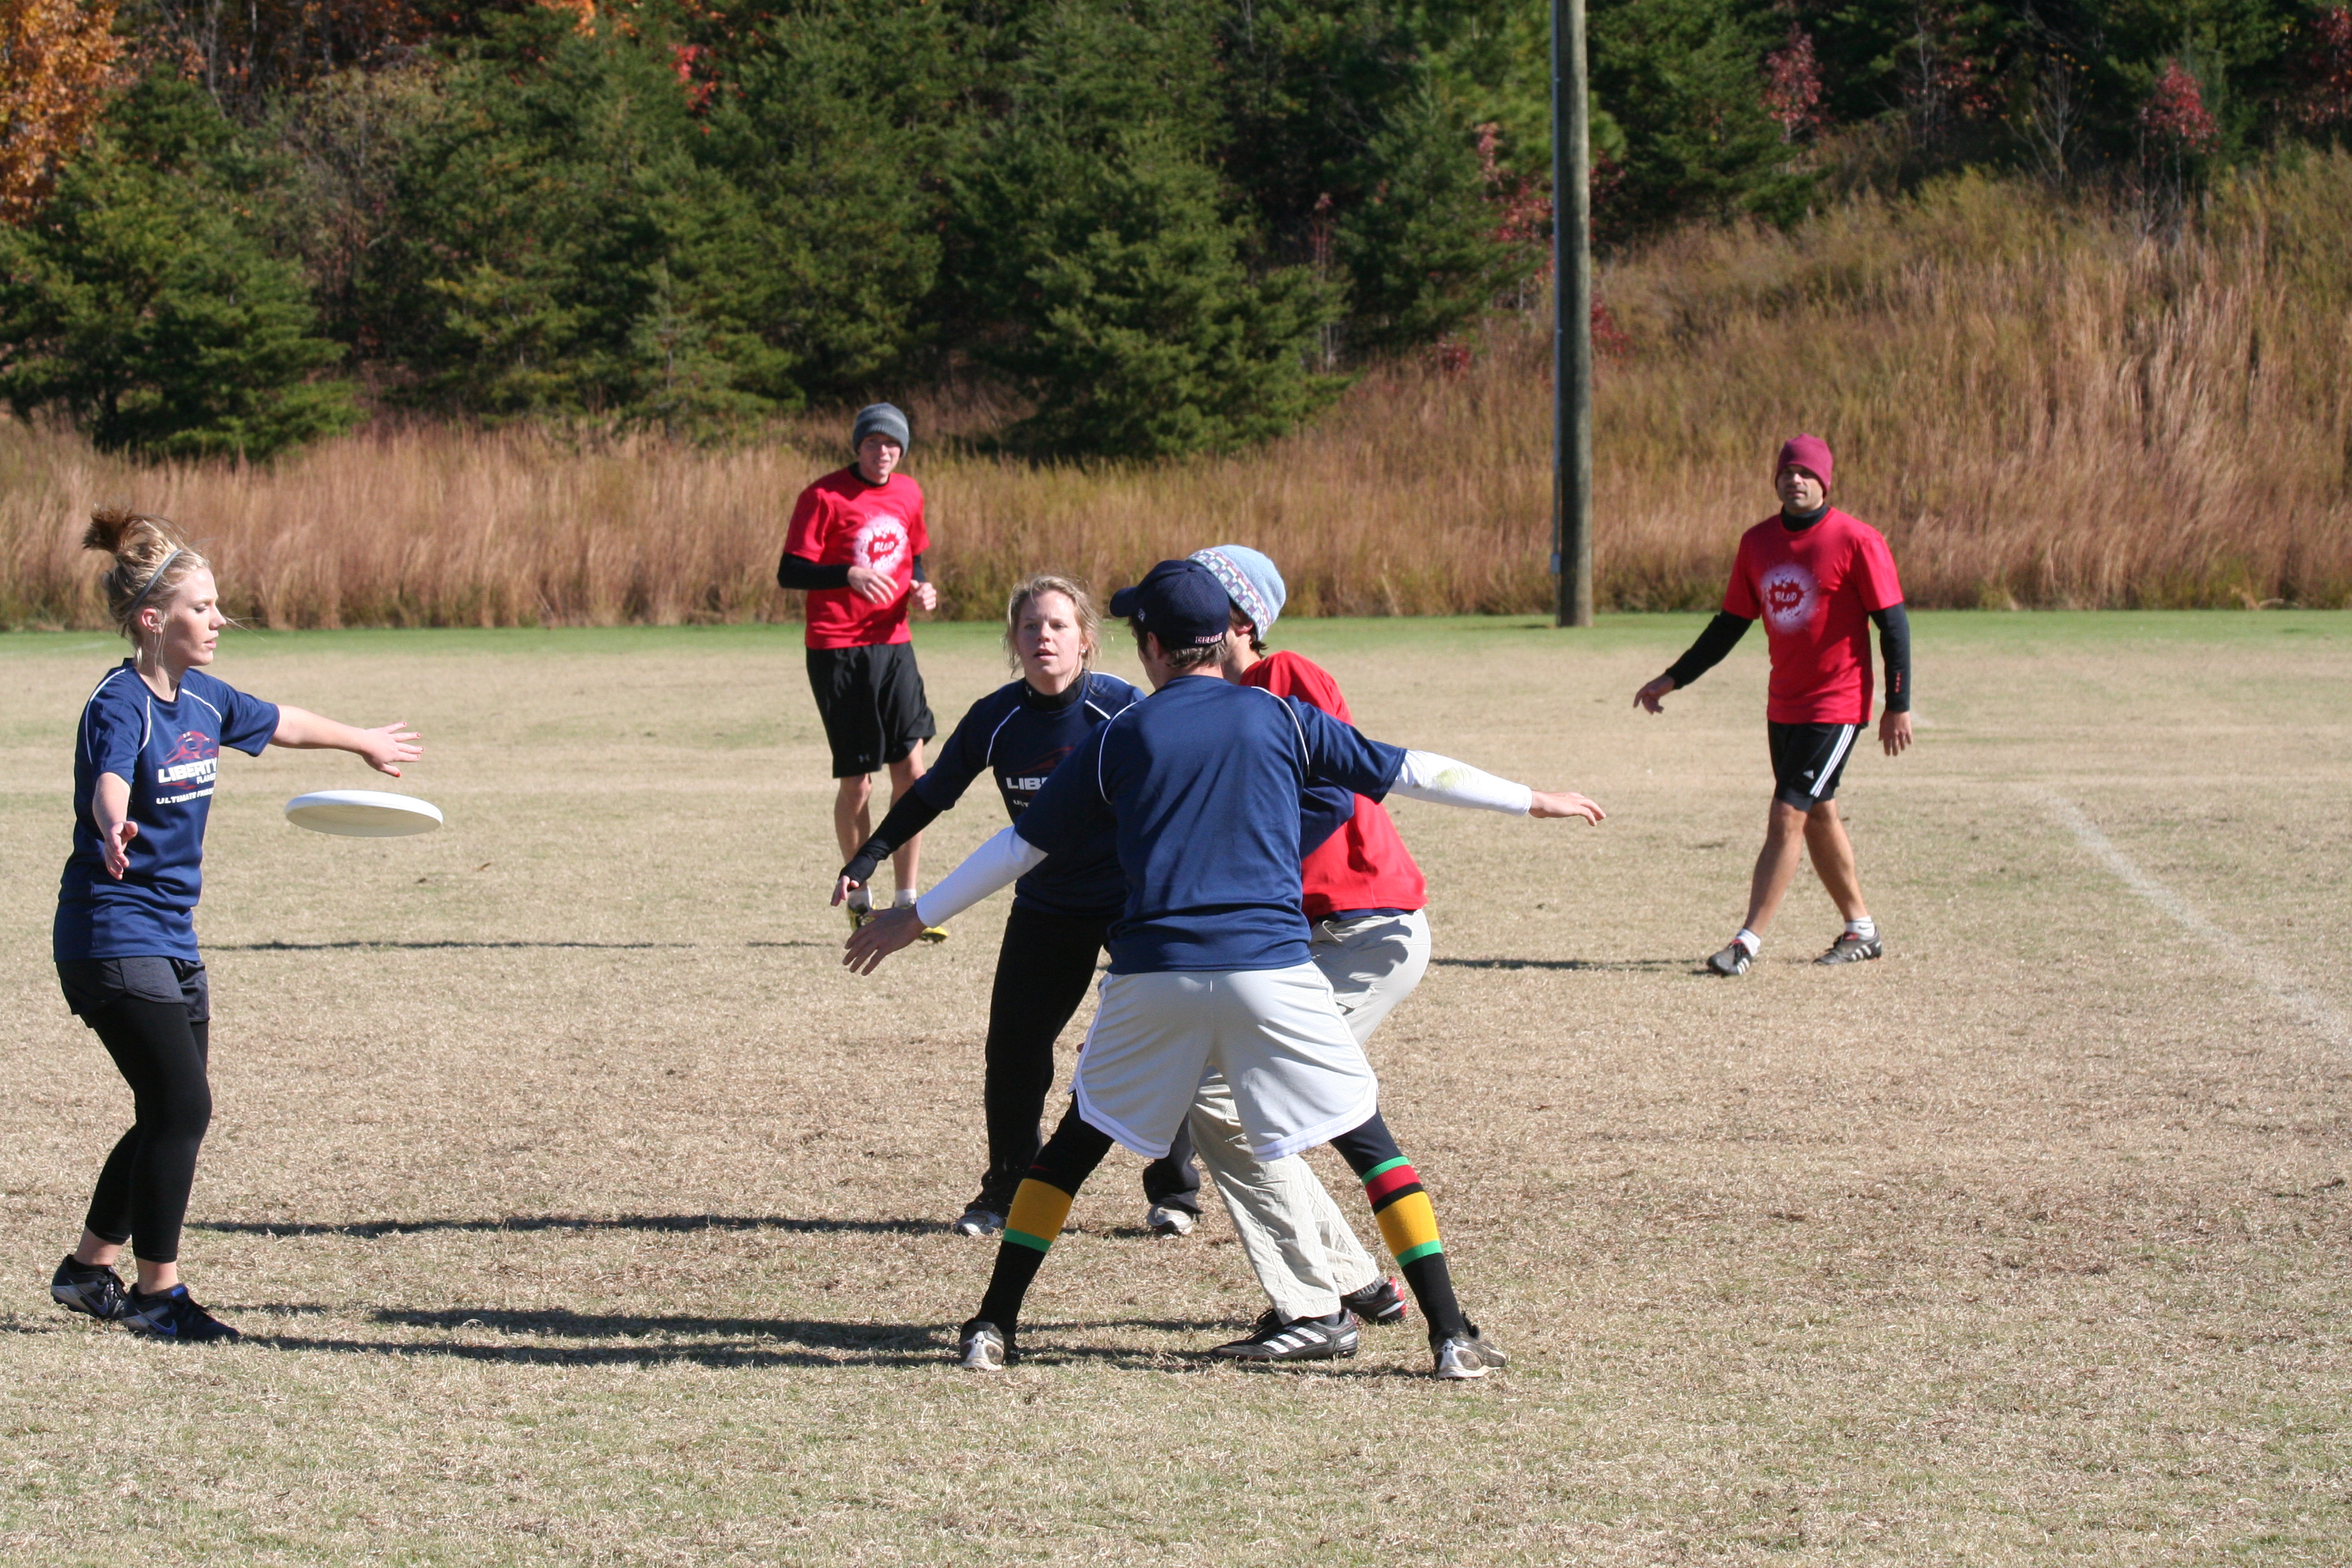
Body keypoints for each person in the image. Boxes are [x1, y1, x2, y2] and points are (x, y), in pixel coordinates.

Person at [846, 559, 1606, 1379]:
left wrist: (916, 915)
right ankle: (1451, 1335)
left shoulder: (1121, 734)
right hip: (1272, 972)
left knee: (1070, 1150)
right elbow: (1412, 769)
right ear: (1220, 640)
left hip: (1155, 974)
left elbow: (1019, 847)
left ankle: (993, 1326)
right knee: (1369, 1144)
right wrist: (1531, 799)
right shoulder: (1281, 718)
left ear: (1150, 647)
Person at [49, 509, 423, 1343]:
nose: (220, 620)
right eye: (203, 608)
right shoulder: (121, 702)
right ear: (154, 620)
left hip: (170, 936)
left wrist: (360, 741)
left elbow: (282, 721)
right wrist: (113, 823)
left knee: (167, 1111)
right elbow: (110, 777)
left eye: (217, 606)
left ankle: (86, 1270)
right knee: (182, 1106)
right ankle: (159, 1295)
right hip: (110, 934)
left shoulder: (204, 697)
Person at [833, 575, 1207, 1239]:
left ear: (1085, 640)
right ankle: (1004, 1191)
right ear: (1013, 640)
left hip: (1132, 902)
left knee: (1160, 1040)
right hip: (1048, 904)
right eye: (1030, 626)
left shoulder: (1123, 708)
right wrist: (868, 858)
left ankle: (1174, 1192)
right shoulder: (997, 717)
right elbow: (932, 792)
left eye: (1058, 625)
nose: (1043, 638)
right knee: (1014, 1052)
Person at [1179, 544, 1434, 1361]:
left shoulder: (1283, 674)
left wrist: (1247, 859)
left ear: (1238, 617)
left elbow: (1338, 787)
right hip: (1316, 938)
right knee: (1222, 1098)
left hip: (1365, 929)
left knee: (1223, 1098)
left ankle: (1316, 1307)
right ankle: (1354, 1284)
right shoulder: (1217, 702)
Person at [1633, 434, 1912, 975]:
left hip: (1836, 703)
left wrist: (1897, 702)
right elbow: (1730, 625)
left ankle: (1745, 943)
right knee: (1817, 811)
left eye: (1806, 473)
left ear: (1825, 481)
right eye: (1787, 472)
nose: (1795, 480)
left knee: (1788, 811)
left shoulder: (1858, 540)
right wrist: (1674, 677)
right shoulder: (1757, 543)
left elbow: (1893, 625)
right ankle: (1861, 929)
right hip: (1784, 703)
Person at [777, 402, 943, 932]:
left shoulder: (909, 492)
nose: (883, 452)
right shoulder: (823, 496)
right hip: (838, 649)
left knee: (912, 773)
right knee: (858, 783)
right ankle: (859, 900)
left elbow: (915, 556)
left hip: (895, 644)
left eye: (892, 444)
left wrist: (920, 588)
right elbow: (790, 571)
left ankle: (908, 899)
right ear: (858, 446)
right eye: (873, 442)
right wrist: (847, 574)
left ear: (902, 450)